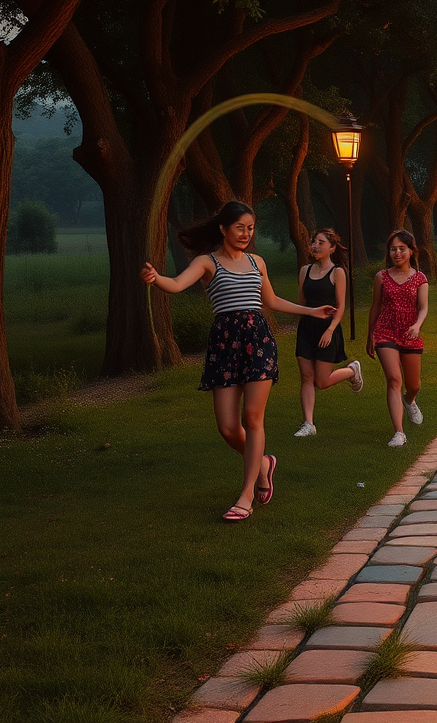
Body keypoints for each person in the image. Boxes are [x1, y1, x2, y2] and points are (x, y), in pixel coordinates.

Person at [140, 201, 335, 521]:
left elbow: (270, 301)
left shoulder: (257, 262)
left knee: (252, 418)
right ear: (223, 229)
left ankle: (246, 496)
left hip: (257, 342)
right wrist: (155, 277)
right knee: (228, 427)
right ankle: (263, 464)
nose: (246, 233)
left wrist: (311, 311)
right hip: (224, 344)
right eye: (240, 227)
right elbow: (175, 284)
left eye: (251, 228)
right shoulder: (207, 263)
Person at [293, 228, 364, 437]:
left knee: (321, 382)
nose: (315, 245)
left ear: (331, 248)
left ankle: (352, 371)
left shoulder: (337, 273)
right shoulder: (305, 270)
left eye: (321, 242)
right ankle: (308, 424)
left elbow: (341, 307)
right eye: (314, 241)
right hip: (307, 328)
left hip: (328, 330)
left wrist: (330, 330)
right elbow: (302, 302)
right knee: (306, 376)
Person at [366, 230, 429, 448]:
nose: (397, 252)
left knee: (413, 385)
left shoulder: (420, 278)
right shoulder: (381, 277)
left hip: (410, 333)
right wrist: (370, 335)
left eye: (402, 248)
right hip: (385, 331)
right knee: (394, 380)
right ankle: (399, 432)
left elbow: (423, 307)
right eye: (393, 249)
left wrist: (417, 325)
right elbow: (375, 307)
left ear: (411, 251)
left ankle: (409, 400)